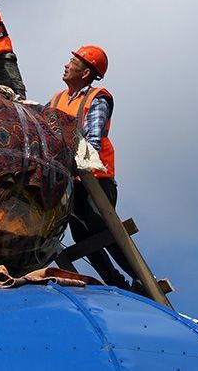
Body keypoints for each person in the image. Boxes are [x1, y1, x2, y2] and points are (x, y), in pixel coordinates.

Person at [48, 45, 141, 290]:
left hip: (96, 178)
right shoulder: (57, 100)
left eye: (73, 62)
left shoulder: (97, 97)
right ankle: (116, 283)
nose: (67, 65)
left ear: (86, 72)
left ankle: (138, 277)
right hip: (70, 180)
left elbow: (94, 137)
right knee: (81, 235)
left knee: (100, 226)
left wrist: (74, 158)